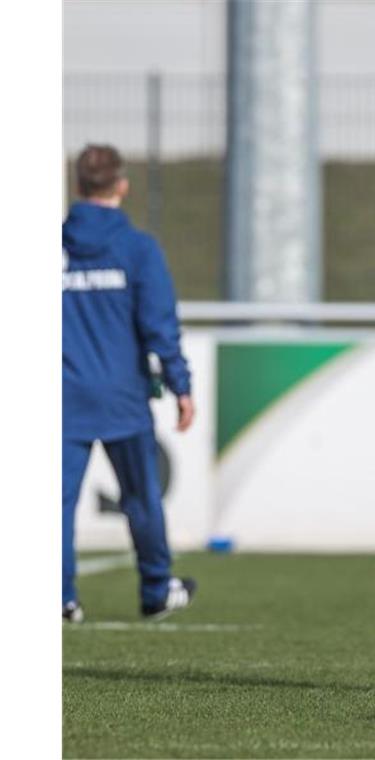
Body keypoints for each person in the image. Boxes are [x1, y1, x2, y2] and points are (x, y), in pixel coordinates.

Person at [62, 144, 198, 623]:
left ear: (79, 185)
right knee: (141, 499)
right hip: (122, 396)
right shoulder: (137, 248)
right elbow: (159, 324)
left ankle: (60, 596)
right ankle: (157, 589)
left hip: (62, 397)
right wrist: (181, 385)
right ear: (121, 185)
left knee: (56, 502)